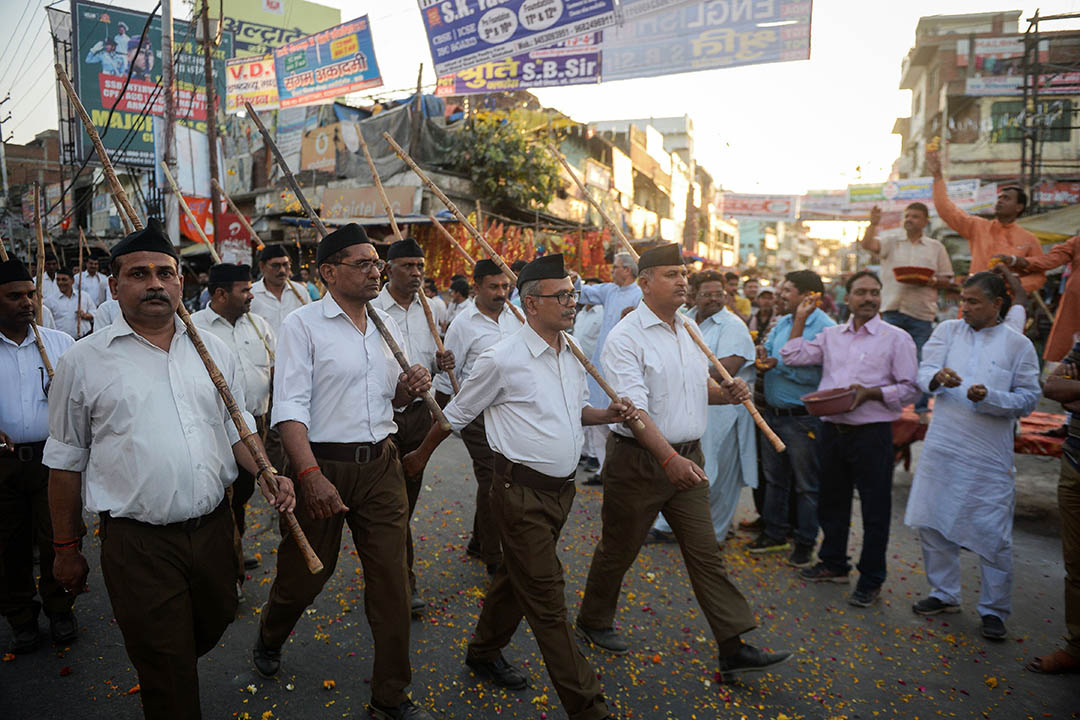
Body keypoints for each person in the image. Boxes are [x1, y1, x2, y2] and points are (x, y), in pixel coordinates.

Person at [44, 220, 295, 720]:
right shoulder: (83, 361)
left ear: (182, 282)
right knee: (168, 667)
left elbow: (236, 424)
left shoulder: (210, 348)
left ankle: (170, 651)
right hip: (139, 544)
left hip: (213, 531)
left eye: (165, 272)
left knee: (219, 615)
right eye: (139, 274)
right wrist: (66, 548)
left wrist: (266, 469)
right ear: (115, 286)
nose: (155, 283)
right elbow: (66, 462)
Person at [403, 254, 633, 720]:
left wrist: (606, 414)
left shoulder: (570, 351)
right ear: (531, 303)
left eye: (573, 293)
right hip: (518, 495)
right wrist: (419, 456)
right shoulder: (501, 358)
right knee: (548, 599)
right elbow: (457, 414)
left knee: (516, 577)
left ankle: (484, 651)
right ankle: (588, 706)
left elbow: (571, 412)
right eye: (563, 296)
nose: (573, 302)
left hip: (561, 493)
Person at [576, 242, 791, 681]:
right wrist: (668, 458)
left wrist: (724, 394)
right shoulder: (625, 338)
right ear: (644, 284)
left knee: (706, 553)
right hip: (640, 462)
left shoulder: (689, 328)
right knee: (618, 549)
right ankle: (593, 620)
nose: (682, 281)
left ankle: (732, 646)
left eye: (683, 274)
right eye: (671, 274)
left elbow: (692, 391)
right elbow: (634, 412)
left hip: (686, 459)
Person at [254, 224, 436, 720]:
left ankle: (391, 696)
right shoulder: (303, 324)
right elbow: (289, 409)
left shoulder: (385, 324)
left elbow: (390, 400)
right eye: (364, 263)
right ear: (329, 272)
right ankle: (271, 631)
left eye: (378, 263)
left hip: (381, 464)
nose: (377, 271)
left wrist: (408, 387)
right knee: (305, 576)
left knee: (392, 581)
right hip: (324, 464)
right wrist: (309, 474)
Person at [904, 272, 1040, 641]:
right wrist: (937, 379)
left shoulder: (1018, 345)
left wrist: (990, 398)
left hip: (988, 454)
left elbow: (1029, 398)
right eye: (963, 300)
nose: (965, 307)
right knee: (932, 521)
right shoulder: (947, 331)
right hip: (944, 444)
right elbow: (924, 372)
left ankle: (994, 610)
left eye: (974, 301)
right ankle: (944, 593)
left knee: (992, 531)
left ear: (997, 305)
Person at [781, 270, 920, 607]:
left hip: (872, 433)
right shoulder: (832, 335)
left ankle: (871, 579)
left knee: (875, 509)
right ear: (848, 298)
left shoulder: (896, 338)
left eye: (875, 292)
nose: (869, 298)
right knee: (832, 501)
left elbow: (910, 388)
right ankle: (834, 563)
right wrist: (800, 319)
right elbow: (793, 355)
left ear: (881, 297)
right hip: (832, 430)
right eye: (861, 292)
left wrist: (871, 394)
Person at [371, 237, 455, 610]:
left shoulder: (431, 307)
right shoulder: (370, 308)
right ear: (388, 269)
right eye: (408, 266)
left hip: (421, 414)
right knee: (390, 504)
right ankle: (401, 580)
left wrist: (441, 363)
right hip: (381, 414)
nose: (417, 273)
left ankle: (395, 572)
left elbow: (428, 362)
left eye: (420, 266)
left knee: (406, 497)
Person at [646, 271, 757, 546]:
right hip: (690, 409)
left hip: (724, 413)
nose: (714, 299)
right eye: (707, 294)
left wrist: (678, 374)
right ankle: (670, 526)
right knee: (684, 468)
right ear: (694, 294)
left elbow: (726, 369)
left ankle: (714, 535)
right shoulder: (683, 319)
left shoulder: (733, 326)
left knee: (719, 476)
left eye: (719, 294)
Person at [0, 258, 76, 653]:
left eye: (30, 294)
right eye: (14, 296)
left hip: (53, 460)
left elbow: (84, 401)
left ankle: (61, 608)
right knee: (9, 544)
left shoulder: (60, 344)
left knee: (57, 538)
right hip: (4, 464)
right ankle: (21, 617)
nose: (26, 302)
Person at [435, 260, 522, 573]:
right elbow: (448, 376)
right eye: (493, 287)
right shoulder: (463, 324)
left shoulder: (517, 316)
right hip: (477, 416)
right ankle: (493, 557)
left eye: (505, 286)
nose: (501, 293)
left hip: (512, 415)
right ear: (477, 288)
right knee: (493, 480)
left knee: (500, 479)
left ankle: (477, 540)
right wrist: (441, 421)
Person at [191, 264, 275, 581]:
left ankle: (233, 551)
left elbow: (274, 367)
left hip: (255, 427)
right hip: (213, 431)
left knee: (240, 496)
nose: (251, 295)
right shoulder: (194, 328)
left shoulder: (259, 325)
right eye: (245, 290)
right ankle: (228, 568)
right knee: (218, 500)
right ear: (221, 294)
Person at [751, 271, 835, 566]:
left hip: (802, 420)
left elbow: (818, 374)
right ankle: (774, 533)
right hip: (772, 415)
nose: (780, 295)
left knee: (806, 486)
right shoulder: (783, 322)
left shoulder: (827, 328)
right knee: (775, 481)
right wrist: (763, 356)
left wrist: (778, 366)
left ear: (809, 296)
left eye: (787, 290)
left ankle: (805, 542)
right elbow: (773, 354)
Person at [860, 202, 954, 416]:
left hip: (921, 312)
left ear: (925, 222)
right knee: (885, 360)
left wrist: (928, 281)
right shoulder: (891, 242)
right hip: (892, 309)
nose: (909, 219)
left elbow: (947, 279)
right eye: (907, 216)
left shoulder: (935, 247)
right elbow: (868, 245)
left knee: (923, 361)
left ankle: (921, 409)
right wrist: (872, 224)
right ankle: (886, 405)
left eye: (915, 216)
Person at [928, 148, 1045, 292]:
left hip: (1009, 302)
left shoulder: (1029, 239)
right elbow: (946, 209)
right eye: (999, 197)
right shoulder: (978, 226)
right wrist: (937, 177)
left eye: (1006, 198)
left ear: (1019, 207)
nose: (1000, 201)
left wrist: (1012, 284)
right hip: (975, 298)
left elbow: (1039, 276)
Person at [1030, 344, 1080, 674]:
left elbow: (1068, 392)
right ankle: (1077, 646)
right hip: (1076, 463)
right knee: (1076, 561)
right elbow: (1052, 386)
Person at [573, 252, 643, 484]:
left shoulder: (640, 294)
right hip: (601, 363)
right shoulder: (609, 291)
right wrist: (573, 280)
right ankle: (604, 470)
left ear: (627, 270)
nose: (612, 271)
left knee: (620, 419)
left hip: (624, 363)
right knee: (599, 418)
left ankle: (617, 471)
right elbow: (584, 292)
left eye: (616, 267)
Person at [995, 236, 1080, 362]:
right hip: (1075, 308)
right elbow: (1049, 260)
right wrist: (1014, 260)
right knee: (1067, 361)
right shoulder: (1077, 242)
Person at [250, 245, 307, 339]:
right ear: (262, 266)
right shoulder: (251, 295)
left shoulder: (300, 292)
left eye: (285, 264)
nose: (282, 270)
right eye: (275, 265)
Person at [44, 267, 96, 339]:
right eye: (58, 280)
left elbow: (94, 312)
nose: (60, 283)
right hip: (61, 340)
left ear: (72, 280)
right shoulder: (49, 301)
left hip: (84, 338)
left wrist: (85, 315)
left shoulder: (84, 296)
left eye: (64, 280)